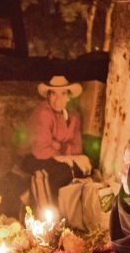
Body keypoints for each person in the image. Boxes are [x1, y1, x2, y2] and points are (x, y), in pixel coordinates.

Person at [19, 75, 84, 205]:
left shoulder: (74, 116)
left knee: (82, 170)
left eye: (63, 94)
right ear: (48, 96)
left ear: (68, 97)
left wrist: (58, 146)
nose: (58, 99)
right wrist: (66, 156)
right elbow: (41, 150)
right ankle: (49, 213)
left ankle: (68, 211)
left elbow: (77, 148)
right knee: (60, 171)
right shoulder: (44, 113)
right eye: (53, 94)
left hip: (60, 157)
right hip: (32, 157)